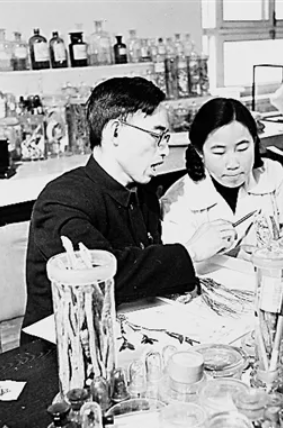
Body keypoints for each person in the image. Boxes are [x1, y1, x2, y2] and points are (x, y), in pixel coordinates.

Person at [22, 77, 237, 334]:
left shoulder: (142, 191)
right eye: (157, 136)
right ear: (115, 132)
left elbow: (145, 272)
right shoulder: (61, 200)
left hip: (129, 329)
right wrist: (190, 252)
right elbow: (101, 278)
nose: (165, 150)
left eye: (166, 138)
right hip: (64, 343)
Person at [161, 97, 283, 254]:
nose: (233, 164)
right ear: (200, 152)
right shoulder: (178, 202)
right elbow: (180, 260)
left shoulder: (273, 175)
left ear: (254, 142)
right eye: (219, 152)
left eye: (242, 149)